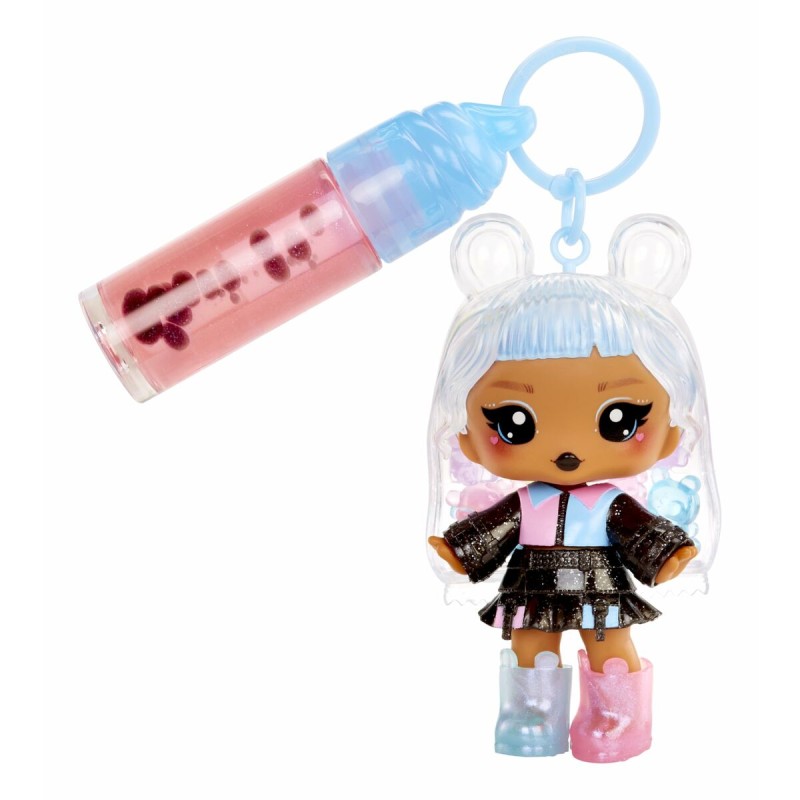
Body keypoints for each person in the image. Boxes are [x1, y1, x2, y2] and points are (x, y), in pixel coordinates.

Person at [426, 216, 719, 761]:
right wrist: (460, 549)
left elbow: (638, 530)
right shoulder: (525, 503)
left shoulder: (608, 503)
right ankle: (530, 716)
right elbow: (493, 529)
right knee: (529, 643)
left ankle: (619, 719)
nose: (567, 448)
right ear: (466, 437)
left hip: (600, 586)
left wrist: (667, 553)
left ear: (670, 433)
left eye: (620, 419)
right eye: (513, 422)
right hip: (532, 585)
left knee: (610, 644)